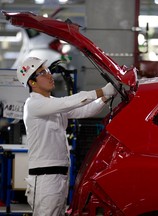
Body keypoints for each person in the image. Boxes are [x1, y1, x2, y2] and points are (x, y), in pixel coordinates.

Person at [17, 57, 117, 216]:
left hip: (59, 176)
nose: (49, 75)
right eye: (43, 73)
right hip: (45, 178)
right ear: (32, 83)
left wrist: (105, 98)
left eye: (48, 71)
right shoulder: (33, 104)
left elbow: (85, 111)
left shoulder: (51, 104)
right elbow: (68, 102)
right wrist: (101, 91)